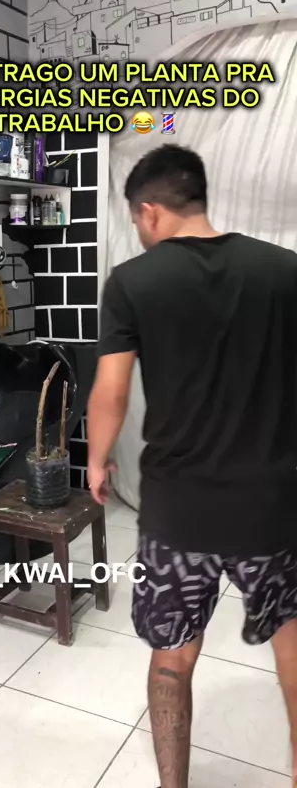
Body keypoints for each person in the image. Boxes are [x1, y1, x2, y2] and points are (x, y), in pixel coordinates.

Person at [87, 144, 297, 788]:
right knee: (294, 645)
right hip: (273, 505)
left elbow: (111, 392)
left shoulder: (132, 283)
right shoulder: (284, 271)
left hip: (179, 512)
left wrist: (96, 460)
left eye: (136, 219)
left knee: (170, 658)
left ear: (150, 211)